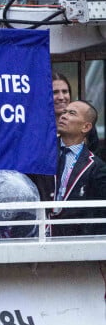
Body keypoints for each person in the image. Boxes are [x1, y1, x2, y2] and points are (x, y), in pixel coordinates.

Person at [49, 100, 106, 236]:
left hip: (75, 238)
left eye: (71, 113)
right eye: (64, 112)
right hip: (40, 233)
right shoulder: (43, 152)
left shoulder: (96, 167)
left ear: (86, 127)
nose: (63, 116)